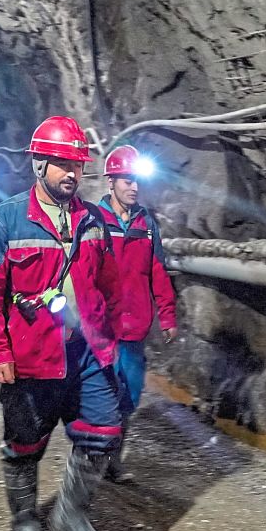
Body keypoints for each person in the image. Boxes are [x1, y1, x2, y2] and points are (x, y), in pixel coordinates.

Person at [0, 116, 123, 531]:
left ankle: (70, 517)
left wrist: (108, 337)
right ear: (39, 165)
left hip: (86, 352)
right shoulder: (6, 219)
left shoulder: (93, 220)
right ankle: (25, 524)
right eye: (61, 165)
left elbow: (108, 285)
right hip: (31, 353)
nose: (72, 174)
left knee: (103, 430)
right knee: (24, 443)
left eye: (77, 165)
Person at [96, 145, 178, 483]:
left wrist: (168, 315)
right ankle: (90, 459)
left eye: (136, 182)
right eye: (127, 181)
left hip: (134, 329)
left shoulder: (146, 225)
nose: (133, 187)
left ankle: (113, 460)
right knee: (98, 396)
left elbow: (158, 270)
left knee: (128, 395)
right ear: (111, 182)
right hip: (100, 328)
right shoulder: (94, 219)